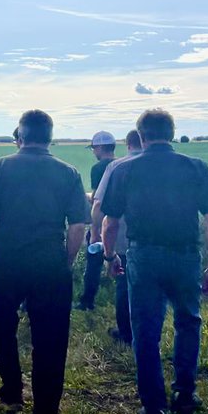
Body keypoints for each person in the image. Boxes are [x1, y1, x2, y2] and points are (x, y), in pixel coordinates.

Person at [102, 109, 208, 414]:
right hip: (185, 257)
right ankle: (185, 394)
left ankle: (154, 406)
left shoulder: (123, 169)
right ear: (172, 132)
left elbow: (110, 222)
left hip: (143, 257)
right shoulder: (196, 167)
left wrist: (110, 256)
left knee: (145, 331)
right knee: (188, 322)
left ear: (140, 135)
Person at [0, 109, 89, 414]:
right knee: (51, 339)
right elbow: (78, 226)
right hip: (49, 263)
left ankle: (11, 395)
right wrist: (67, 260)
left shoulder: (1, 167)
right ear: (50, 137)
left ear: (19, 136)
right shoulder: (69, 172)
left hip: (7, 260)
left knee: (4, 329)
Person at [91, 129, 143, 345]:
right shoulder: (167, 165)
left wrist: (96, 234)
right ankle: (146, 331)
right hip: (155, 237)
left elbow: (98, 204)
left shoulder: (117, 166)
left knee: (123, 282)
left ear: (128, 145)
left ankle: (126, 333)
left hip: (122, 234)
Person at [76, 131, 117, 310]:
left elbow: (96, 200)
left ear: (100, 147)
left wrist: (94, 230)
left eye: (94, 148)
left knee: (93, 262)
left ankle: (87, 301)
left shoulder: (99, 168)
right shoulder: (121, 165)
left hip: (103, 222)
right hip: (121, 223)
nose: (93, 152)